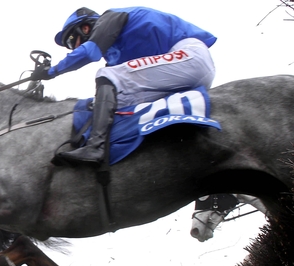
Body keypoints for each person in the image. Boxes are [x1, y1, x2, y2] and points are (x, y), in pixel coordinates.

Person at [31, 7, 217, 167]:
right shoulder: (115, 54)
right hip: (179, 72)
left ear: (85, 27)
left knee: (106, 75)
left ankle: (96, 148)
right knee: (112, 102)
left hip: (189, 56)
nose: (72, 49)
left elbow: (89, 52)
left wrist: (51, 72)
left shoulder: (110, 17)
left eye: (71, 42)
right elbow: (113, 92)